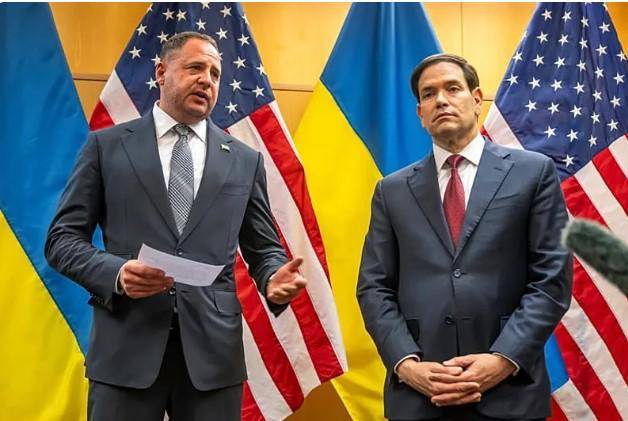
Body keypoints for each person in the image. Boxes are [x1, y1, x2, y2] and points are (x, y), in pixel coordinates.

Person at [45, 32, 306, 421]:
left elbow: (264, 248)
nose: (207, 80)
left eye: (215, 74)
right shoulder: (106, 147)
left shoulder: (244, 160)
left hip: (213, 358)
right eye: (196, 67)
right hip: (125, 351)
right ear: (161, 72)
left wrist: (273, 277)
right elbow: (61, 240)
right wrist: (116, 273)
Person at [356, 53, 572, 421]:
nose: (440, 100)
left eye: (452, 88)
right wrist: (406, 365)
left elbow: (551, 280)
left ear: (476, 99)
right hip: (420, 396)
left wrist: (503, 359)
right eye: (429, 94)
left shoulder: (533, 173)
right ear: (420, 114)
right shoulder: (391, 191)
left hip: (511, 395)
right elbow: (373, 288)